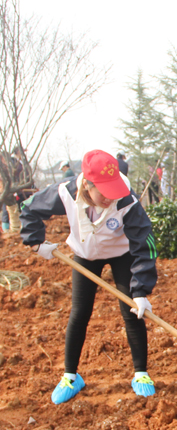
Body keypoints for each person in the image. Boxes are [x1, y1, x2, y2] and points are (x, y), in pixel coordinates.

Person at [20, 150, 158, 404]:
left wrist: (140, 290)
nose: (109, 197)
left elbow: (144, 242)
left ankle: (141, 374)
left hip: (121, 253)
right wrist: (36, 242)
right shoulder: (65, 193)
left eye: (112, 190)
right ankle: (71, 376)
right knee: (79, 312)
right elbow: (30, 208)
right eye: (103, 192)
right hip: (85, 254)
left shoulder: (126, 199)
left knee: (131, 310)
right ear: (86, 184)